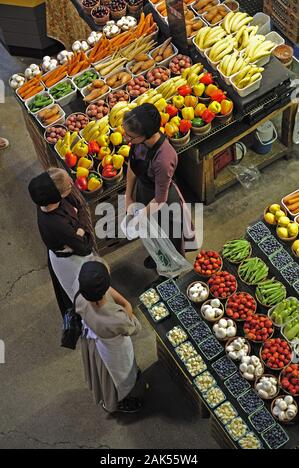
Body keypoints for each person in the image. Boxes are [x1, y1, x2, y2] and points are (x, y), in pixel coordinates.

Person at [123, 103, 196, 269]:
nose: (127, 139)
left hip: (163, 203)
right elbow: (132, 165)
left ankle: (173, 270)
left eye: (130, 137)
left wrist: (141, 216)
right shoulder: (138, 142)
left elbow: (160, 199)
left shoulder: (164, 159)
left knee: (169, 237)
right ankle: (158, 257)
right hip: (144, 191)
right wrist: (129, 196)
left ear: (146, 135)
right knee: (152, 234)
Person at [28, 168, 100, 317]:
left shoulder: (45, 201)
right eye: (69, 185)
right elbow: (85, 246)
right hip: (72, 263)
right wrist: (82, 226)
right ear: (58, 196)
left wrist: (79, 228)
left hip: (67, 248)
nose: (73, 184)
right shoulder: (56, 224)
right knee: (84, 300)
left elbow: (79, 205)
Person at [76, 261, 143, 413]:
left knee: (101, 373)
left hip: (93, 343)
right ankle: (118, 402)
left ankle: (112, 397)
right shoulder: (114, 317)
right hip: (113, 351)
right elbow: (134, 327)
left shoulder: (80, 297)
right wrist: (126, 304)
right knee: (117, 376)